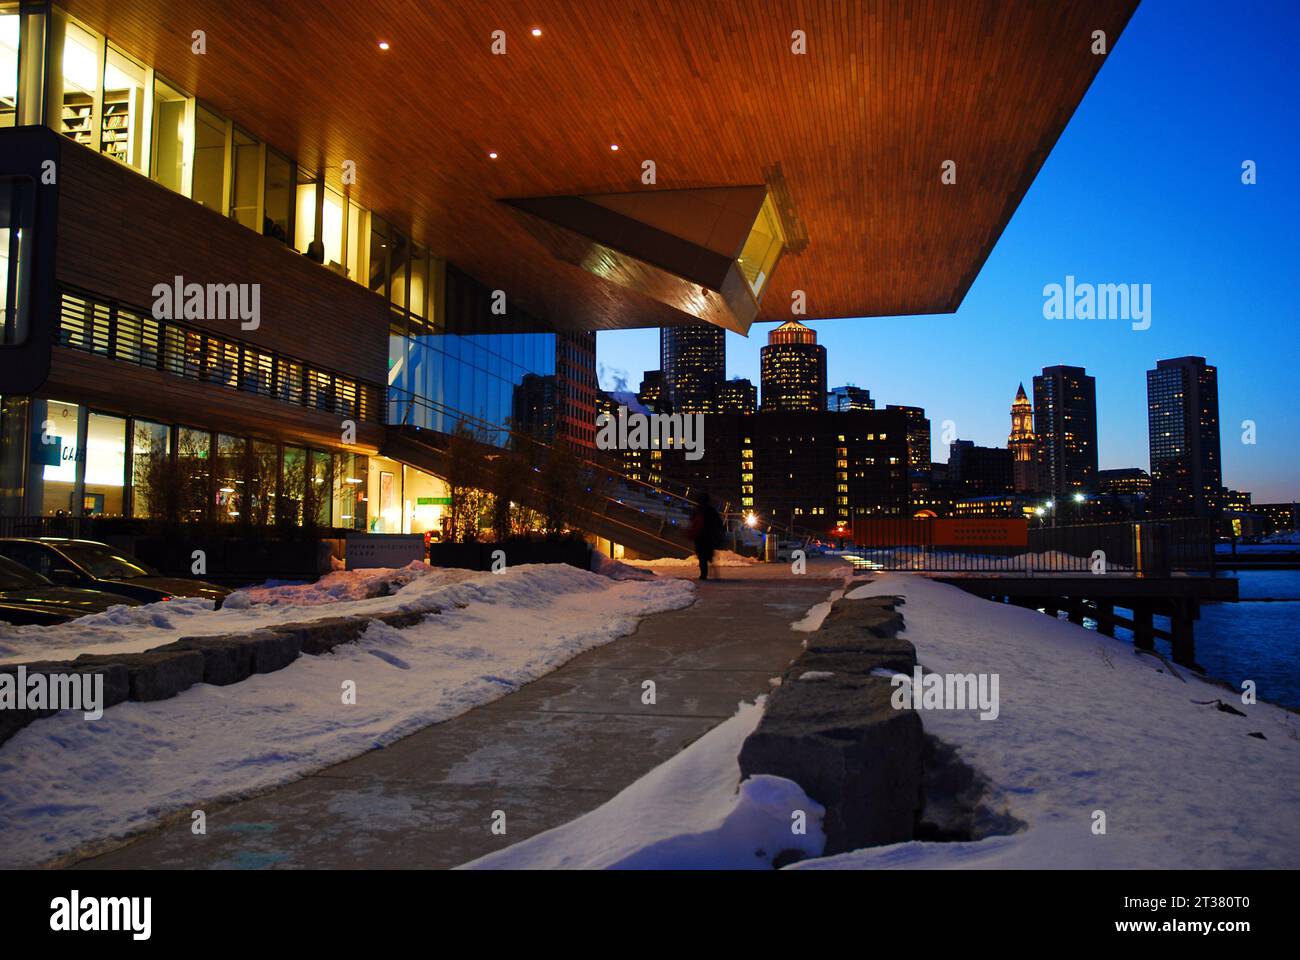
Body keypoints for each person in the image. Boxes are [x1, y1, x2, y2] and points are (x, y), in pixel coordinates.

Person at [688, 492, 724, 580]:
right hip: (709, 536)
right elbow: (718, 522)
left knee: (701, 556)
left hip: (700, 536)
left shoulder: (697, 509)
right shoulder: (711, 510)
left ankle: (703, 574)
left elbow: (692, 520)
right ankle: (709, 565)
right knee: (707, 554)